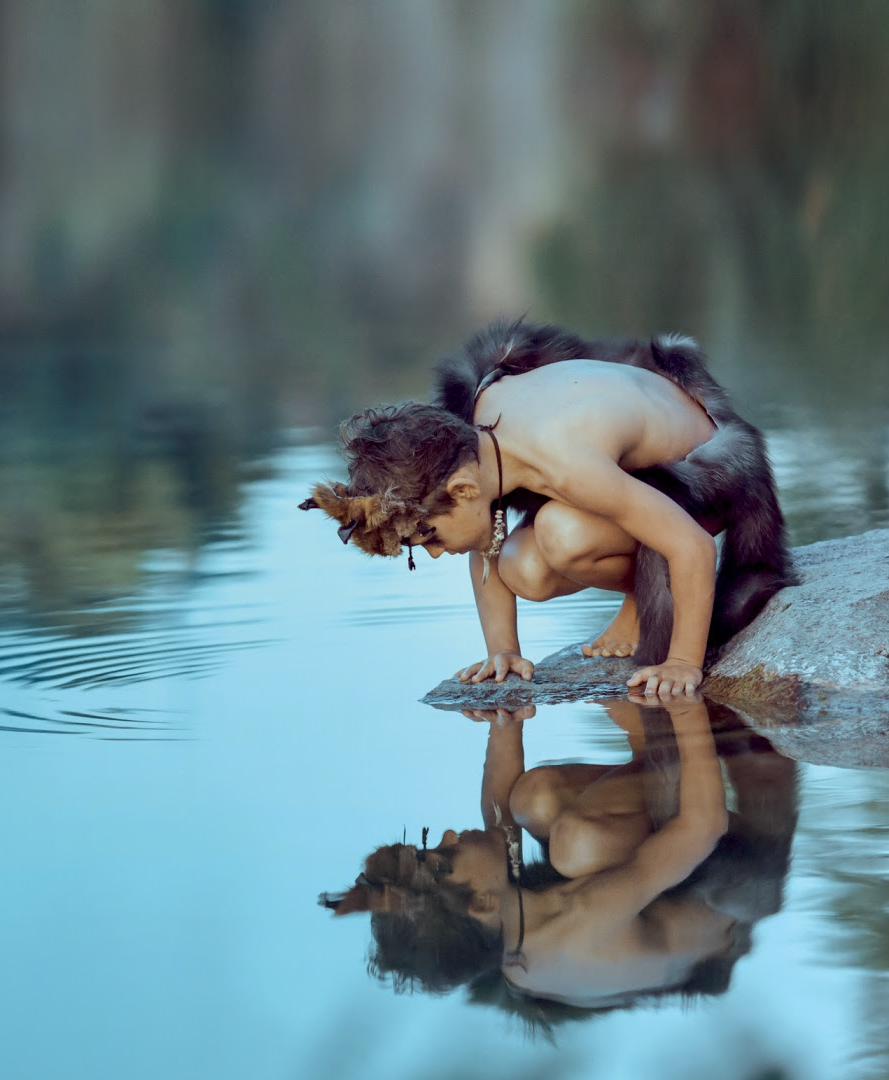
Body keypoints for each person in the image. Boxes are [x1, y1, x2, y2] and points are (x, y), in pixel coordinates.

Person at [300, 319, 794, 696]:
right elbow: (484, 539)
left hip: (702, 475)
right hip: (631, 476)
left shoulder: (563, 459)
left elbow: (691, 546)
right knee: (524, 566)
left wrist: (684, 663)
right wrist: (503, 652)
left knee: (562, 533)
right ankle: (635, 590)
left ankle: (641, 604)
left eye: (428, 537)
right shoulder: (473, 447)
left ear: (464, 490)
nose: (432, 554)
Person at [319, 697, 796, 1019]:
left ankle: (652, 747)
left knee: (536, 798)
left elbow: (500, 826)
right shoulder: (577, 924)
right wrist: (688, 711)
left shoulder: (502, 931)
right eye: (444, 854)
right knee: (577, 844)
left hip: (659, 890)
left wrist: (504, 716)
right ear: (482, 904)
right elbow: (703, 829)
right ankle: (661, 735)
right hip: (734, 895)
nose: (447, 835)